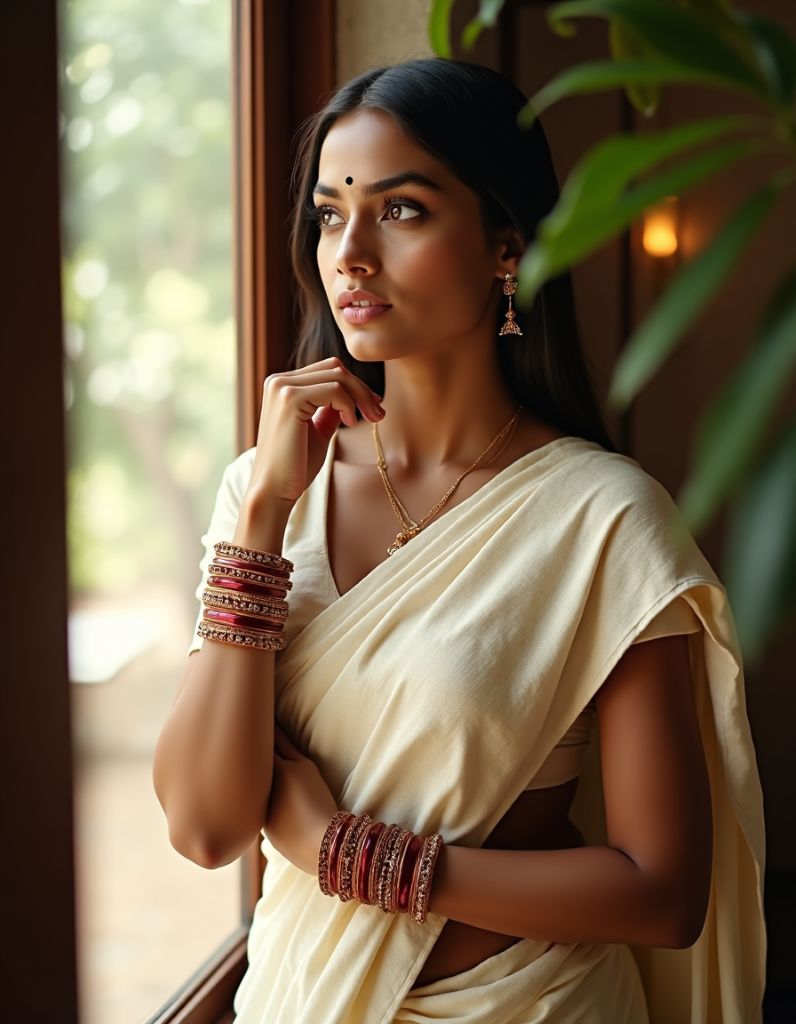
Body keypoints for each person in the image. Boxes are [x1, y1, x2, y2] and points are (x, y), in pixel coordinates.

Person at [153, 57, 767, 1022]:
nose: (351, 253)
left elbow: (663, 893)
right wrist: (263, 516)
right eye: (329, 215)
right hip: (297, 998)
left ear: (504, 247)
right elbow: (202, 826)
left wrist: (346, 856)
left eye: (400, 210)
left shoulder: (602, 518)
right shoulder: (267, 494)